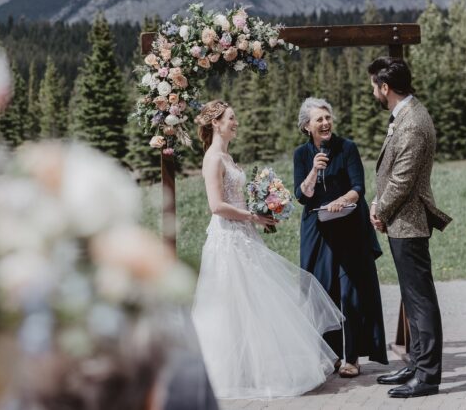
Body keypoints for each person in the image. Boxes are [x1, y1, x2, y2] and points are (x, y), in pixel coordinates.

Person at [190, 100, 343, 399]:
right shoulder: (213, 159)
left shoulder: (228, 157)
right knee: (232, 305)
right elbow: (216, 206)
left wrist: (266, 208)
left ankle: (250, 370)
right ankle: (226, 373)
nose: (236, 122)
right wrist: (252, 216)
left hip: (245, 235)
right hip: (228, 240)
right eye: (231, 118)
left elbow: (236, 198)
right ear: (216, 123)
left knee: (253, 303)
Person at [367, 57, 452, 399]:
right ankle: (417, 363)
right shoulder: (405, 115)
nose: (373, 90)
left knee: (420, 300)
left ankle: (428, 376)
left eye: (374, 85)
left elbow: (403, 179)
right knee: (412, 298)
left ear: (385, 87)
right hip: (401, 219)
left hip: (409, 219)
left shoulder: (414, 122)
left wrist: (380, 209)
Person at [293, 98, 388, 378]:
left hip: (349, 226)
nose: (325, 123)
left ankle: (352, 357)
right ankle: (330, 355)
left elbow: (358, 186)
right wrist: (313, 169)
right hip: (318, 230)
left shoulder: (347, 147)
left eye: (327, 117)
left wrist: (341, 200)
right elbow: (301, 196)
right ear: (306, 126)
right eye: (318, 119)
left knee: (351, 292)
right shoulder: (301, 154)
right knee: (323, 291)